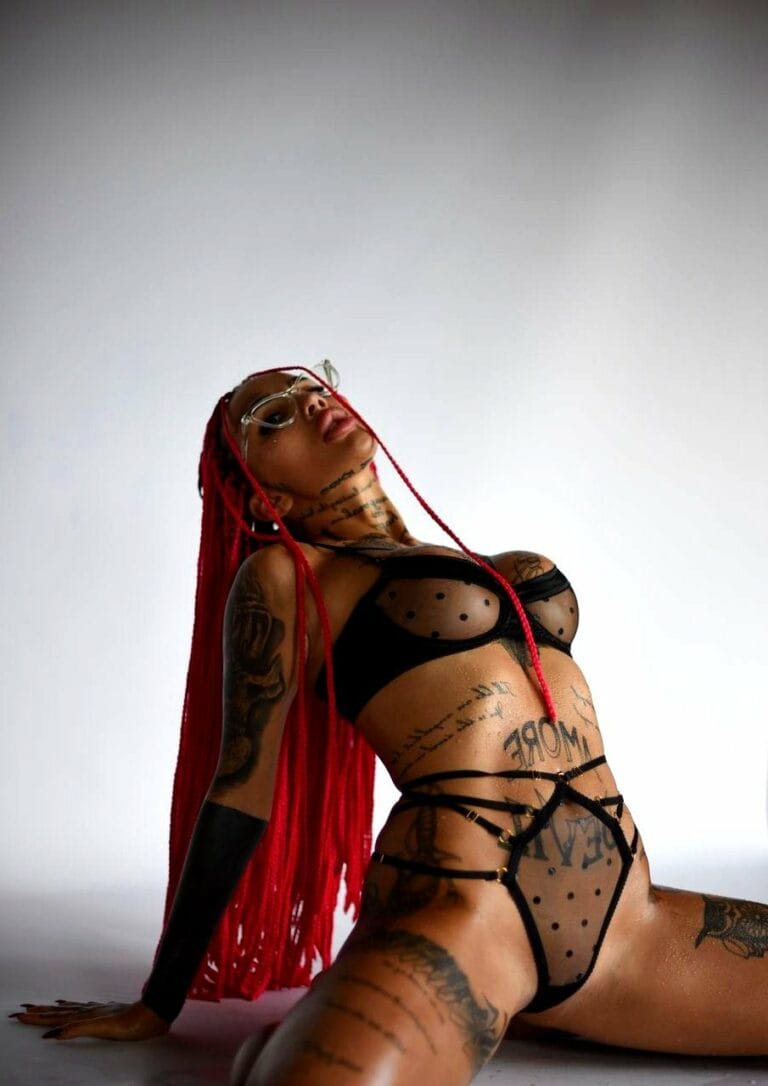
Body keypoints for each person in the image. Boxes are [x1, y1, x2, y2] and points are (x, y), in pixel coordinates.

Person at [13, 363, 768, 1084]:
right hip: (465, 914)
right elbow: (240, 789)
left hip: (629, 924)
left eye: (312, 387)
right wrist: (159, 1001)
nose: (311, 404)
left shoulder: (474, 557)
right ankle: (291, 1043)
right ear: (263, 496)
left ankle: (524, 1013)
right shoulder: (290, 578)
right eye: (271, 418)